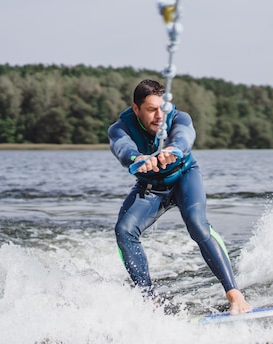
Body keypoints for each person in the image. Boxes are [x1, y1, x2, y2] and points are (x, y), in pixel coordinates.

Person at [108, 79, 252, 315]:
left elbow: (185, 136)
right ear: (136, 109)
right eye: (151, 110)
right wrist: (137, 159)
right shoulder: (120, 127)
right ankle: (148, 301)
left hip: (184, 177)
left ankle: (234, 294)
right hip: (151, 187)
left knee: (197, 223)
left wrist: (173, 149)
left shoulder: (179, 117)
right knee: (124, 230)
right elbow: (122, 148)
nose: (159, 116)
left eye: (162, 109)